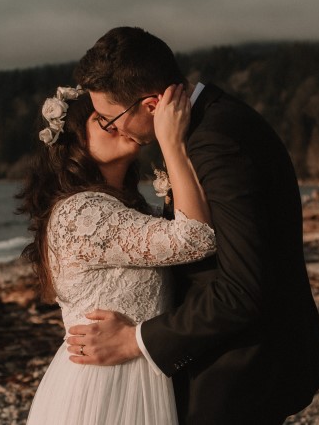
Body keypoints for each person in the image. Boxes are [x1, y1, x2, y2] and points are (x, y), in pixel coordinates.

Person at [68, 27, 319, 425]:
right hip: (240, 359)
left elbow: (243, 289)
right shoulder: (214, 121)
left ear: (152, 105)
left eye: (111, 118)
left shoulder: (215, 142)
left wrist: (136, 340)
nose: (113, 130)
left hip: (240, 367)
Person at [19, 82, 216, 425]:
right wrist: (172, 144)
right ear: (77, 139)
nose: (121, 124)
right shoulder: (82, 212)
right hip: (104, 386)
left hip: (133, 374)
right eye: (104, 121)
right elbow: (196, 238)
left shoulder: (122, 208)